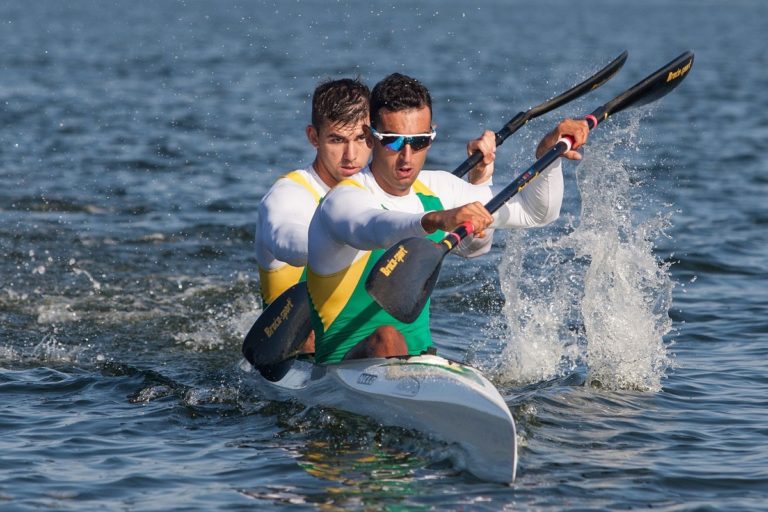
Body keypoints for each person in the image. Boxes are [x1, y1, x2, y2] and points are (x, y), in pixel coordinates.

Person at [306, 72, 589, 364]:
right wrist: (438, 219)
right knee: (387, 336)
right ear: (369, 137)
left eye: (419, 142)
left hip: (421, 363)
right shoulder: (342, 199)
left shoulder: (440, 188)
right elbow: (376, 227)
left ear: (432, 135)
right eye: (393, 142)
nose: (407, 157)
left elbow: (535, 212)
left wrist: (548, 156)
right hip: (340, 368)